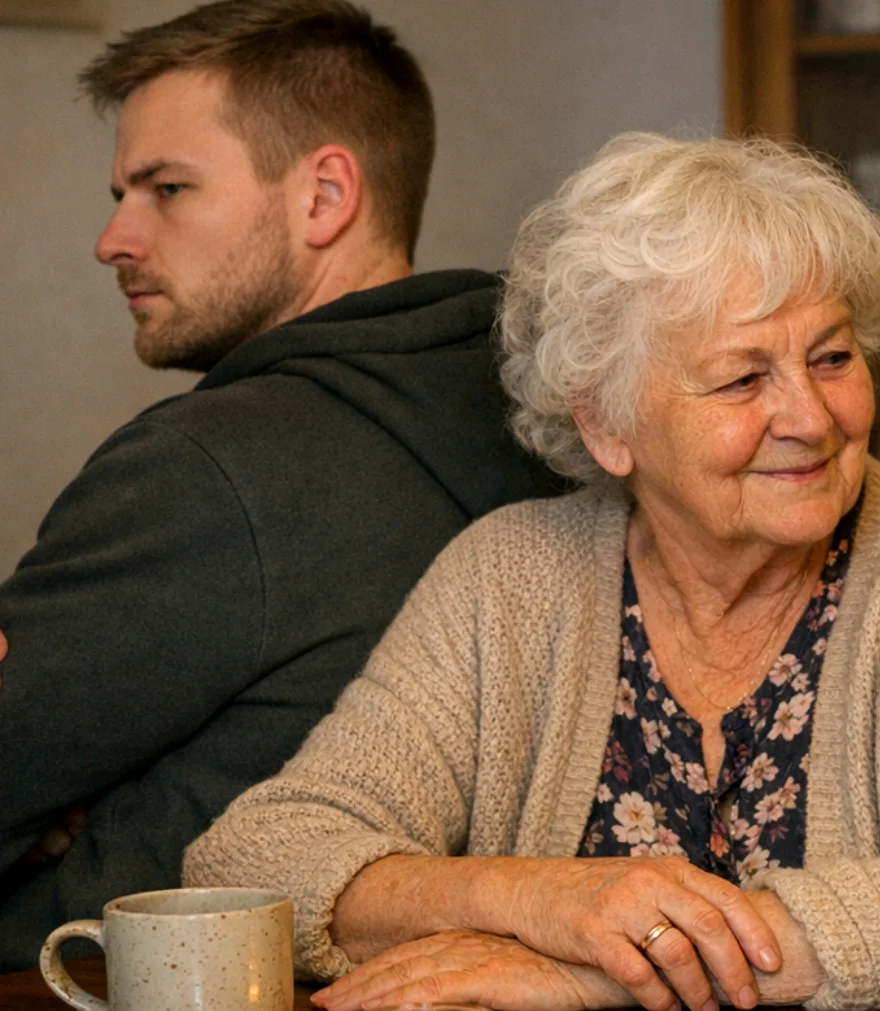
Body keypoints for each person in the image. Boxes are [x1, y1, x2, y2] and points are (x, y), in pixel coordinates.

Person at [185, 133, 880, 1011]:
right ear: (607, 425)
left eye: (832, 357)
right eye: (741, 379)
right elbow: (255, 859)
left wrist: (599, 971)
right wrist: (544, 899)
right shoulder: (509, 577)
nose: (810, 414)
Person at [0, 0, 561, 969]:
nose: (114, 239)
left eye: (166, 189)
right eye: (119, 194)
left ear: (324, 194)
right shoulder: (550, 411)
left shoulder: (206, 467)